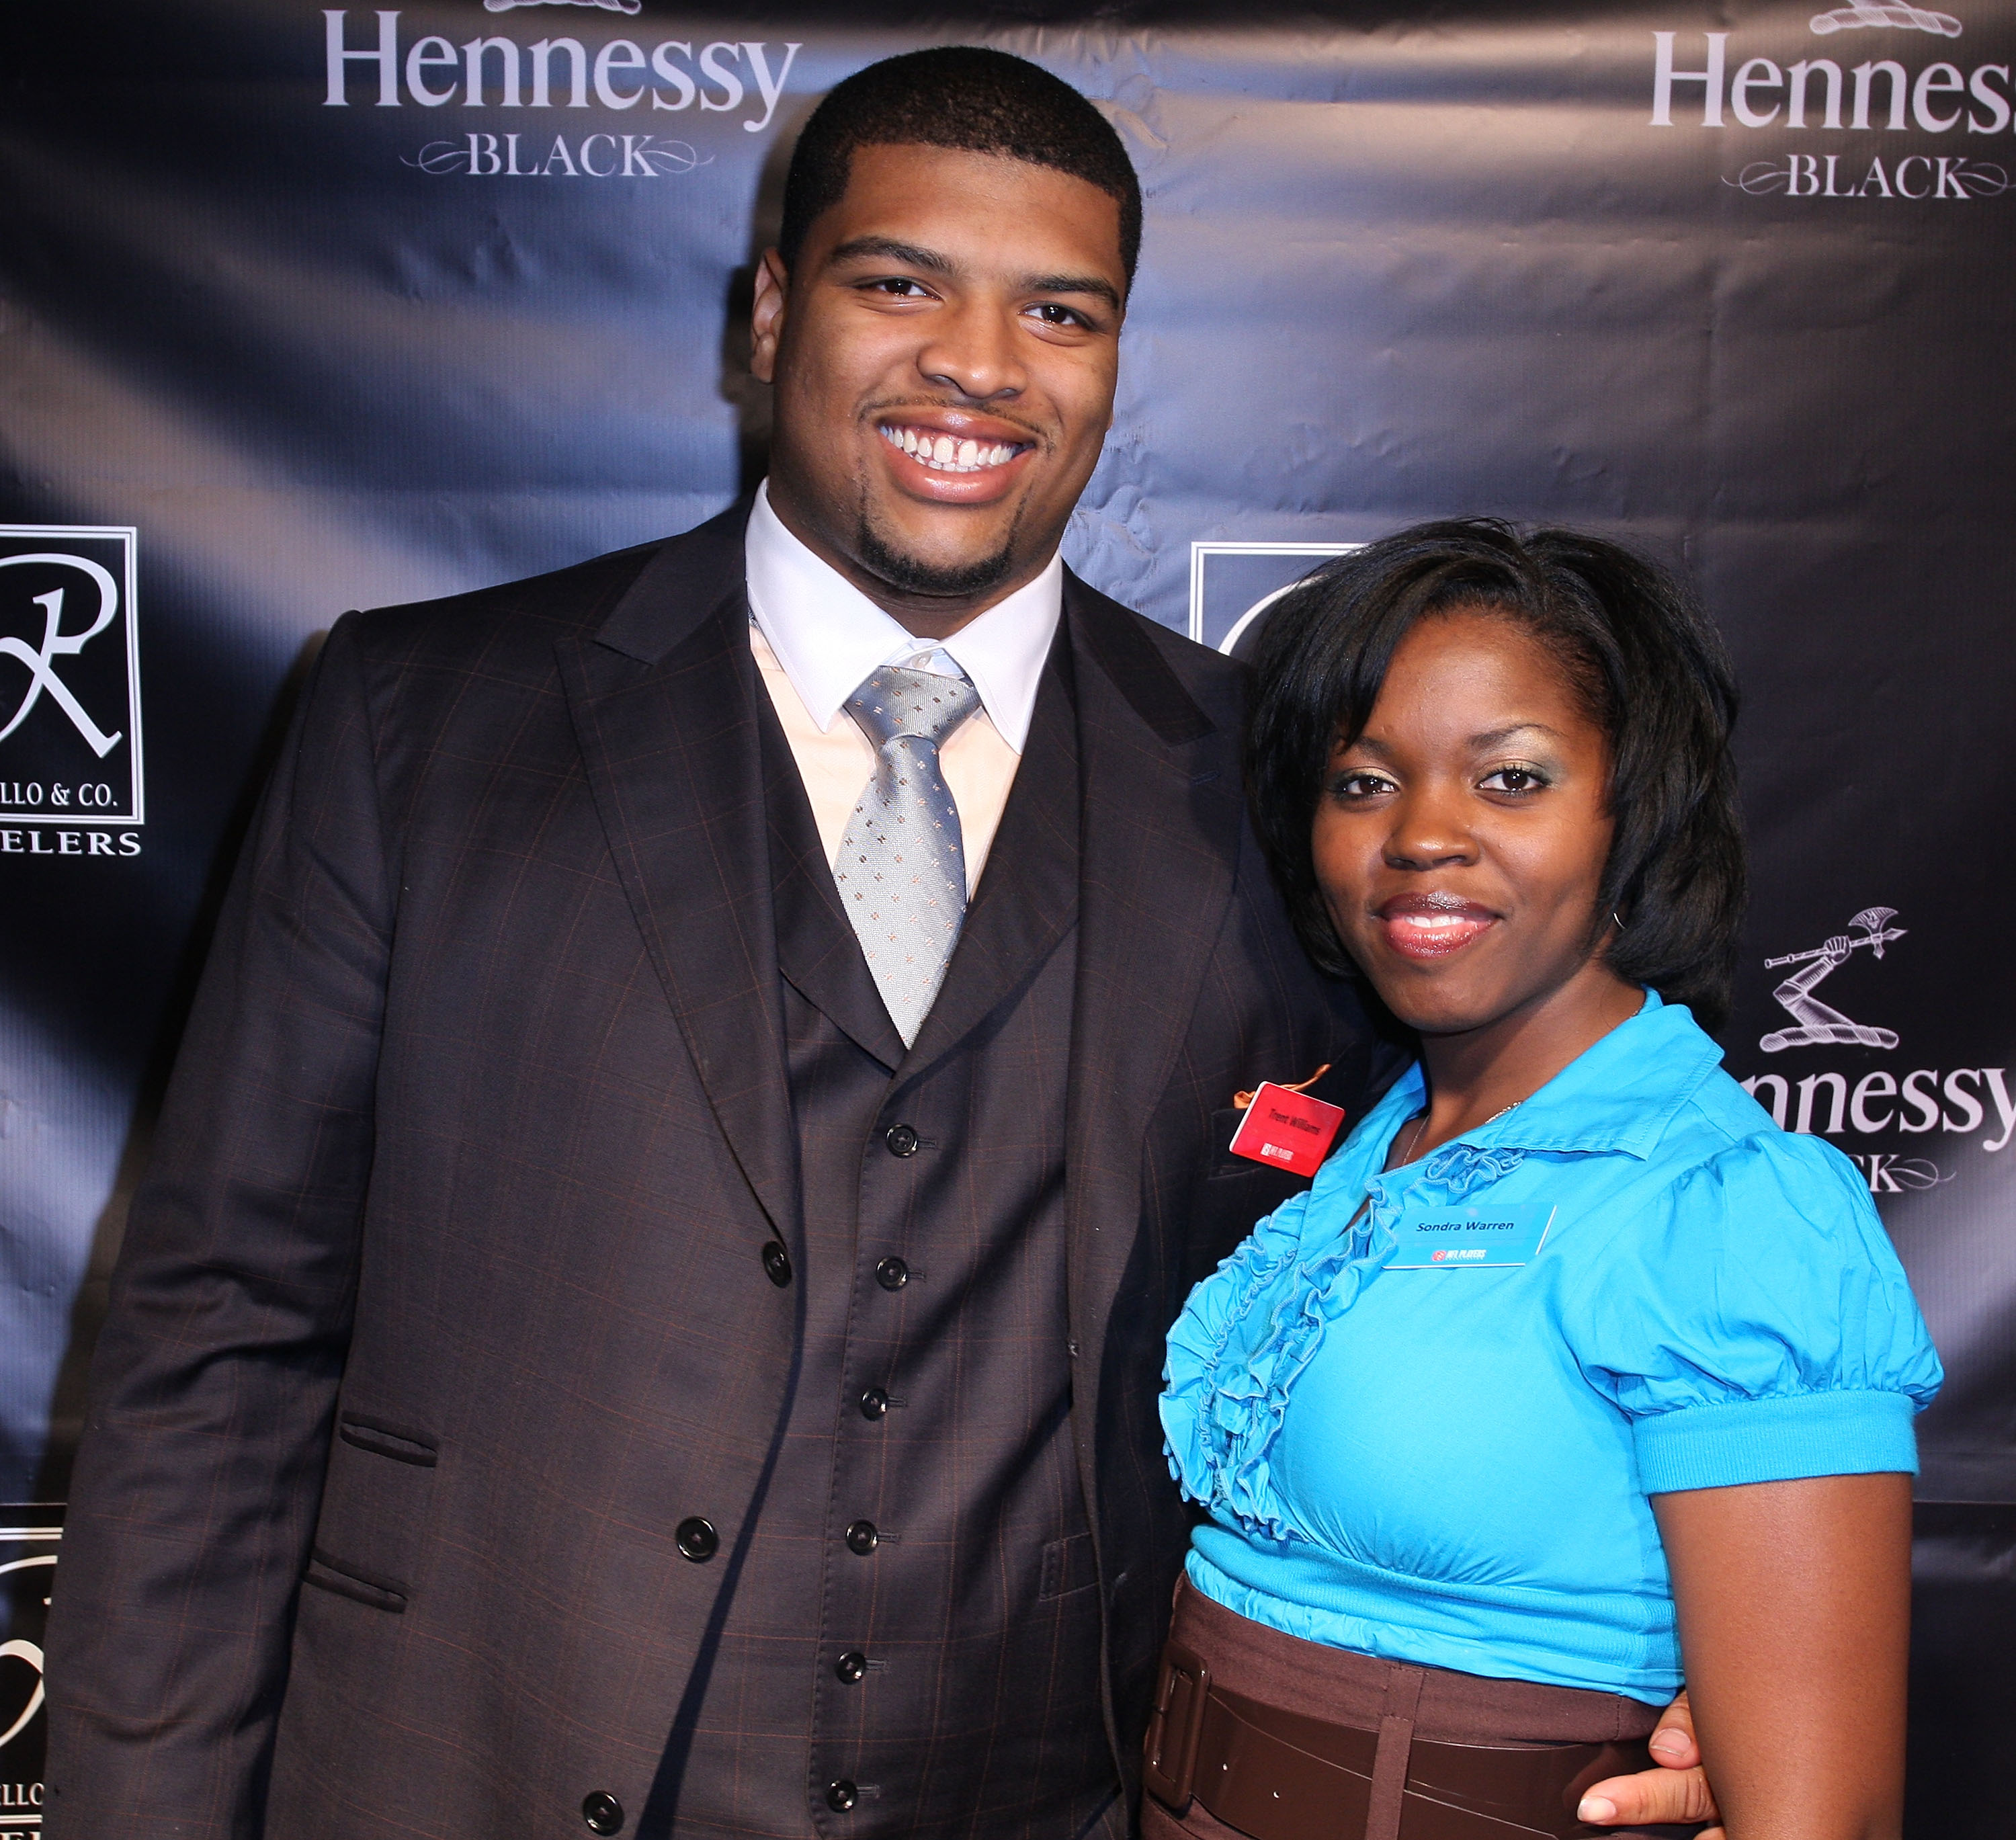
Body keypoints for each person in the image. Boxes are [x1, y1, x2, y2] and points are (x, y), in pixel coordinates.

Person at [40, 50, 1715, 1840]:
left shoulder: (1275, 781)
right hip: (478, 1766)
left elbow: (1511, 1198)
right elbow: (223, 1342)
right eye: (900, 281)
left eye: (1058, 311)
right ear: (770, 314)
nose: (982, 365)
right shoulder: (418, 720)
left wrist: (1686, 1624)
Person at [1150, 520, 1941, 1840]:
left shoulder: (1728, 1207)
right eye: (1363, 783)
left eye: (1510, 780)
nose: (1422, 838)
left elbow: (1823, 1818)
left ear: (1633, 815)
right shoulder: (1374, 1136)